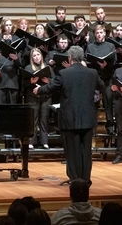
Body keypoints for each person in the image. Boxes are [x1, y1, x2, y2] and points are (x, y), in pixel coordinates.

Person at [36, 46, 104, 183]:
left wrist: (39, 90)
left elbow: (51, 87)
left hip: (70, 118)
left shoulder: (64, 73)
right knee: (86, 151)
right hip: (87, 118)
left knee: (72, 151)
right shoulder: (92, 73)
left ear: (70, 58)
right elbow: (101, 86)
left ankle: (75, 179)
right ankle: (86, 179)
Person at [23, 48, 53, 149]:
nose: (36, 57)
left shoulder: (47, 67)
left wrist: (48, 81)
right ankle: (32, 141)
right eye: (34, 56)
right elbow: (24, 84)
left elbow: (54, 82)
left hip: (45, 96)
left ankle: (44, 141)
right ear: (32, 58)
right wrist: (31, 81)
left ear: (41, 56)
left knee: (44, 119)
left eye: (38, 55)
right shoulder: (28, 68)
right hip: (32, 97)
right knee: (33, 119)